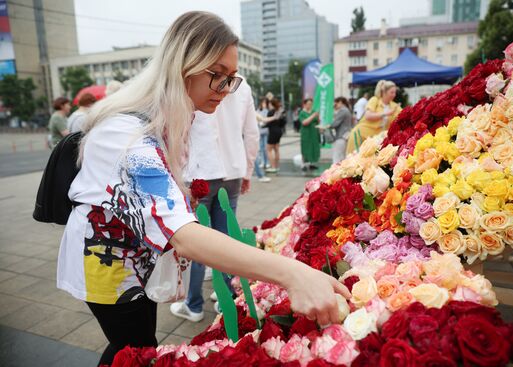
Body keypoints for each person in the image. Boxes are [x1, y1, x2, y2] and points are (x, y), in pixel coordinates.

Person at [57, 12, 348, 366]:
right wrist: (294, 273)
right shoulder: (125, 136)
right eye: (217, 76)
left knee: (136, 344)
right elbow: (184, 235)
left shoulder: (177, 116)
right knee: (133, 348)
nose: (226, 91)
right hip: (109, 262)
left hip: (139, 256)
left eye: (231, 79)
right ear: (184, 64)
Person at [170, 76, 260, 322]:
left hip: (199, 172)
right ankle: (225, 298)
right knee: (226, 236)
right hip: (232, 170)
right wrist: (248, 170)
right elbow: (252, 134)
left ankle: (194, 304)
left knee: (198, 240)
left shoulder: (194, 80)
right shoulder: (244, 86)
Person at [346, 80, 401, 154]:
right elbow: (368, 116)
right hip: (361, 135)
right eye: (392, 92)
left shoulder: (394, 106)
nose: (394, 95)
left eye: (395, 92)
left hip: (376, 139)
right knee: (353, 159)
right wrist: (385, 113)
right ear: (384, 92)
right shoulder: (374, 100)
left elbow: (403, 116)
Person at [321, 97, 352, 164]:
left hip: (341, 136)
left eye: (336, 104)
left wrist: (326, 126)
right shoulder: (347, 110)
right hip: (345, 136)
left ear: (340, 102)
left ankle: (334, 173)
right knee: (342, 157)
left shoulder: (343, 111)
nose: (335, 106)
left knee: (337, 158)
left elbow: (335, 123)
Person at [263, 98, 285, 173]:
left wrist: (263, 125)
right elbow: (283, 123)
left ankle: (273, 167)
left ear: (271, 104)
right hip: (279, 131)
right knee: (276, 149)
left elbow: (267, 122)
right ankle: (277, 166)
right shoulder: (280, 112)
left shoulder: (271, 112)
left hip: (273, 132)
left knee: (268, 149)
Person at [298, 99, 320, 171]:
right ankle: (304, 164)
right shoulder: (302, 113)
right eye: (308, 104)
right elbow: (304, 122)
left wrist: (318, 117)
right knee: (305, 148)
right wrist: (313, 116)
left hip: (314, 133)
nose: (310, 105)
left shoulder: (313, 111)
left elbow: (318, 121)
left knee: (313, 148)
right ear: (304, 104)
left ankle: (312, 163)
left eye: (311, 104)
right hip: (306, 133)